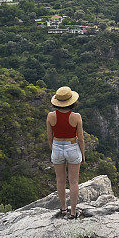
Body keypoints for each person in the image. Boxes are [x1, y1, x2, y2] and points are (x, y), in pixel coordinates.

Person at [46, 86, 85, 219]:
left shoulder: (51, 116)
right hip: (72, 147)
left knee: (60, 180)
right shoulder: (76, 117)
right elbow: (81, 138)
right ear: (72, 101)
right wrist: (83, 155)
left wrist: (54, 149)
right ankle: (73, 212)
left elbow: (49, 137)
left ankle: (63, 208)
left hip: (57, 147)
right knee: (73, 182)